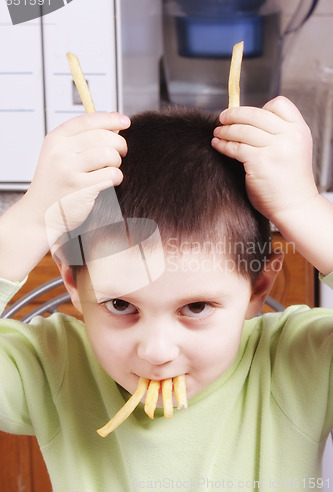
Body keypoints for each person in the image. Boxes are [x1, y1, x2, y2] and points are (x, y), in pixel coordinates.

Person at [0, 96, 332, 491]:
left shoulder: (300, 362)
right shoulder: (51, 367)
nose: (157, 352)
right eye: (121, 305)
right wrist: (32, 218)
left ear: (258, 287)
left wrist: (303, 206)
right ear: (73, 283)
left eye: (196, 307)